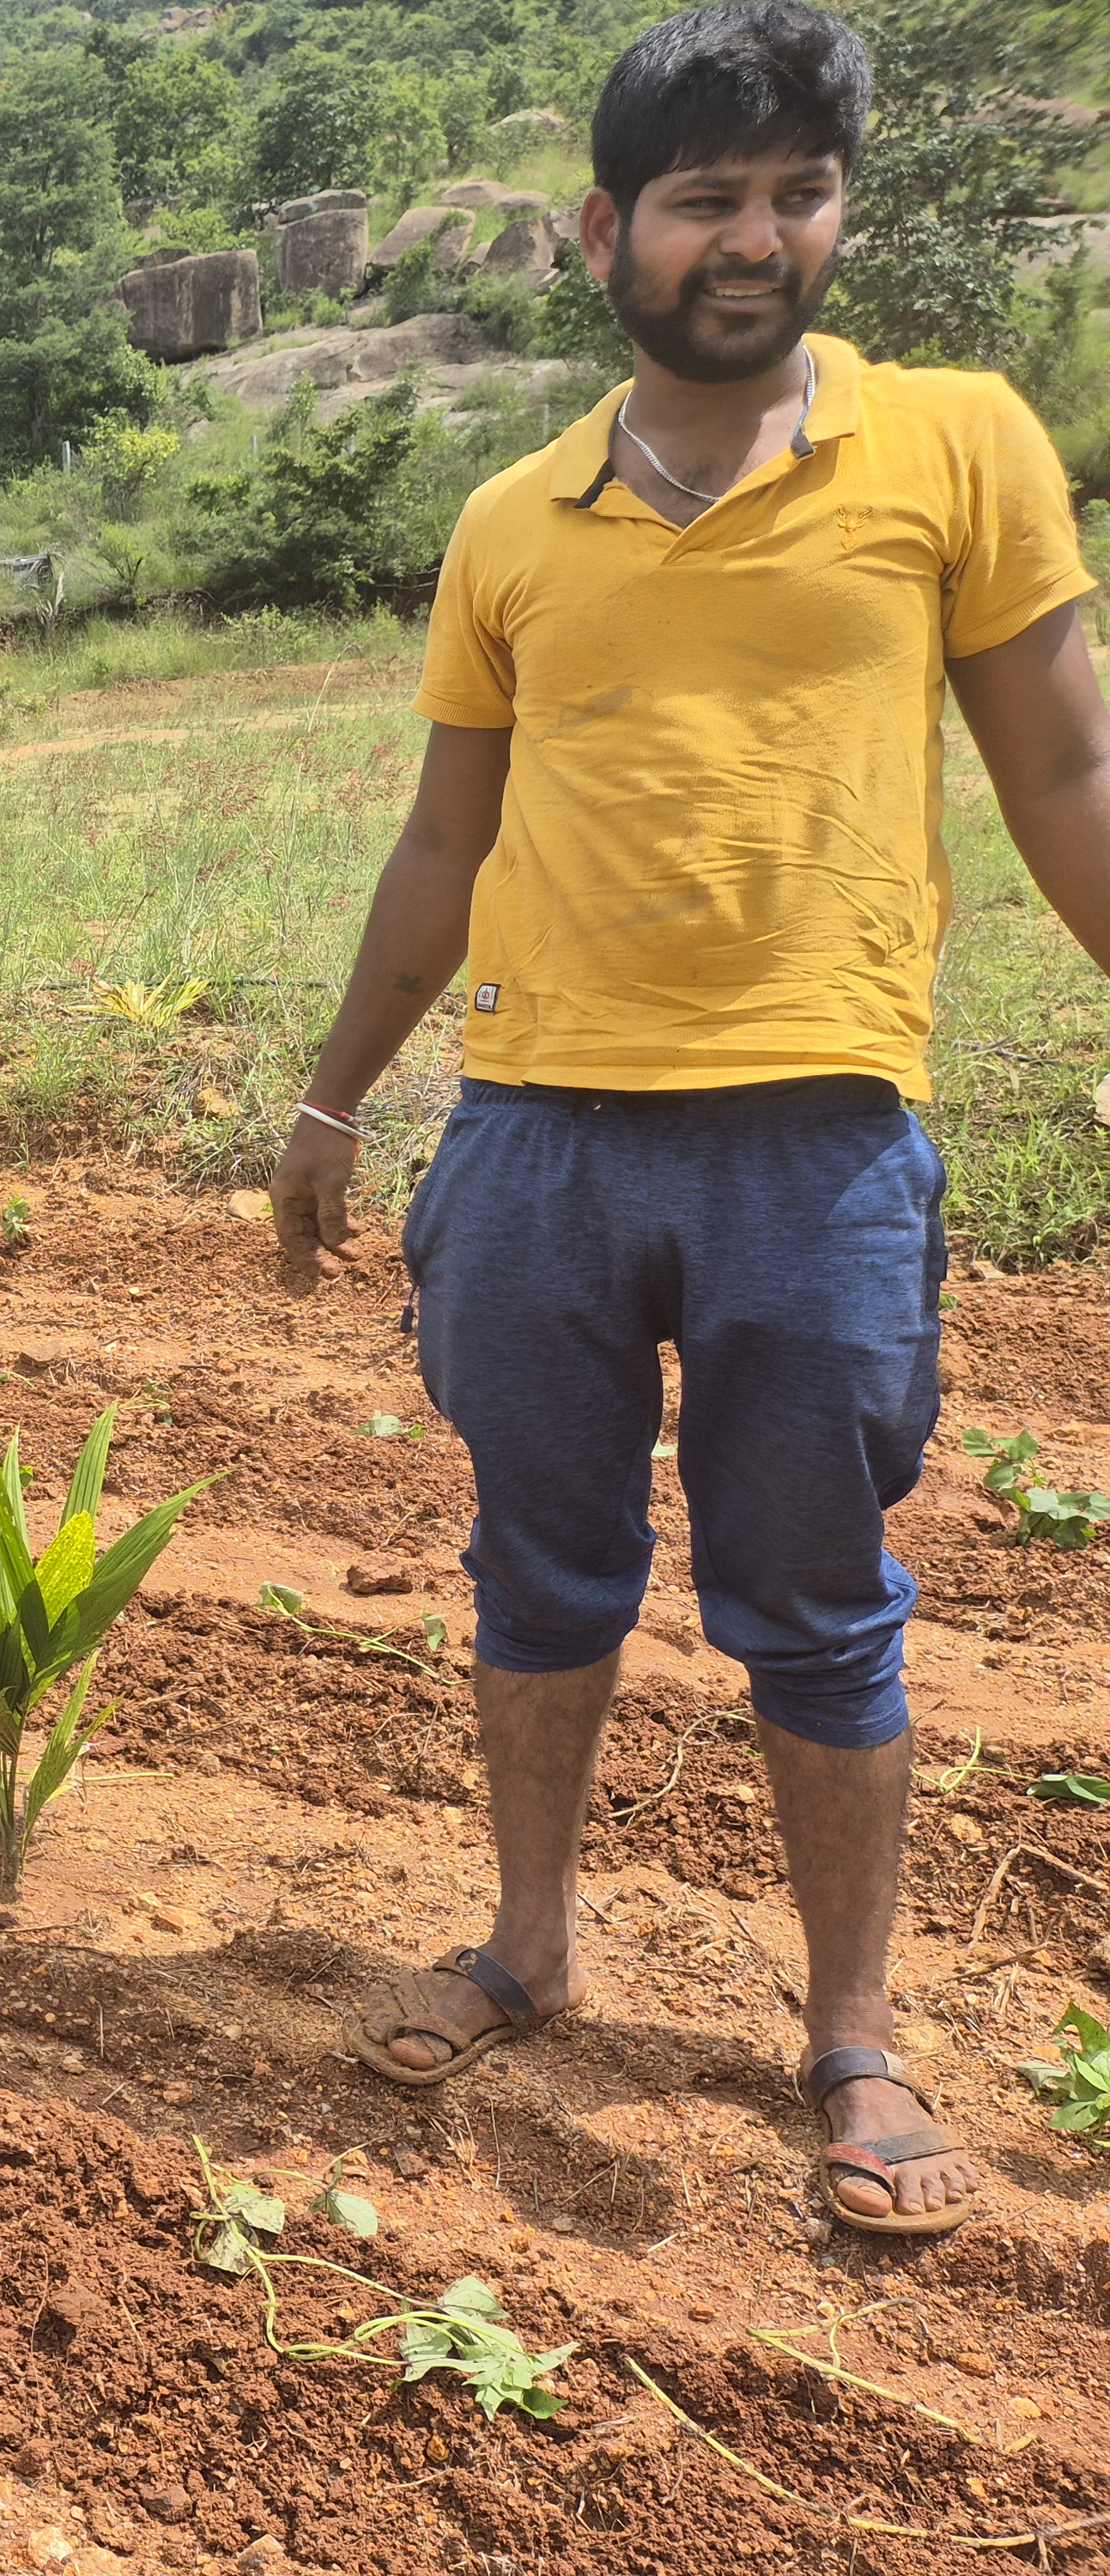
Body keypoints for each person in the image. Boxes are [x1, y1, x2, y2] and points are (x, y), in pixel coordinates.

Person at [267, 1, 1110, 2237]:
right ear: (606, 230)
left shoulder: (957, 447)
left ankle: (851, 2038)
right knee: (540, 1570)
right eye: (707, 196)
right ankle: (530, 1949)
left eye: (794, 194)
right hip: (536, 1143)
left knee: (818, 1605)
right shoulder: (511, 524)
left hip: (815, 1152)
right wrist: (335, 1090)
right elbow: (444, 849)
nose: (756, 237)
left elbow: (1069, 779)